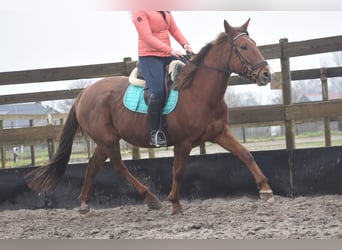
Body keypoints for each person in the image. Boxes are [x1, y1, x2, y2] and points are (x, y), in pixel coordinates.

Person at [132, 11, 193, 147]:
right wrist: (170, 50)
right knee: (159, 92)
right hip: (149, 57)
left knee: (193, 74)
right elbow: (147, 37)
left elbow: (174, 29)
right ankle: (154, 132)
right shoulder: (139, 11)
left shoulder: (164, 9)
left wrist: (184, 44)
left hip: (166, 54)